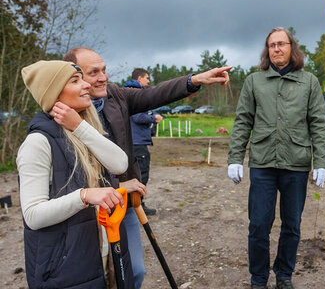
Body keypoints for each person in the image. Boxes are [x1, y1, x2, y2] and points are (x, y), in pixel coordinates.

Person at [63, 47, 231, 289]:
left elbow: (154, 95)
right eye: (94, 72)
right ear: (74, 77)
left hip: (125, 204)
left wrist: (195, 80)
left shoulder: (115, 96)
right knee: (97, 279)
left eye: (104, 70)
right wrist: (117, 185)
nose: (103, 77)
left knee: (135, 274)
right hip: (87, 214)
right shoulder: (62, 113)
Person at [227, 27, 325, 289]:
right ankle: (258, 278)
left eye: (281, 44)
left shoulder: (309, 82)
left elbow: (318, 123)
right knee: (259, 224)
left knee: (292, 224)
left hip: (296, 163)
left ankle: (284, 275)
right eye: (272, 45)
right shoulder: (254, 81)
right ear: (267, 50)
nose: (276, 49)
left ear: (291, 47)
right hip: (263, 163)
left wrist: (322, 162)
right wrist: (235, 157)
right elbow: (243, 122)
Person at [18, 60, 130, 288]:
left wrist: (79, 126)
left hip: (102, 250)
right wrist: (84, 196)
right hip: (65, 265)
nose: (86, 85)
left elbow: (120, 164)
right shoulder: (37, 143)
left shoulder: (84, 129)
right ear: (54, 92)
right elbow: (33, 215)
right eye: (75, 81)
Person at [123, 68, 164, 216]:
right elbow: (138, 117)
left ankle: (133, 204)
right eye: (147, 78)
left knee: (134, 174)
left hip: (134, 141)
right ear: (139, 79)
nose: (148, 81)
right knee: (141, 174)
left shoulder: (128, 92)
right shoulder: (135, 94)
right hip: (137, 142)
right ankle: (137, 205)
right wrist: (154, 118)